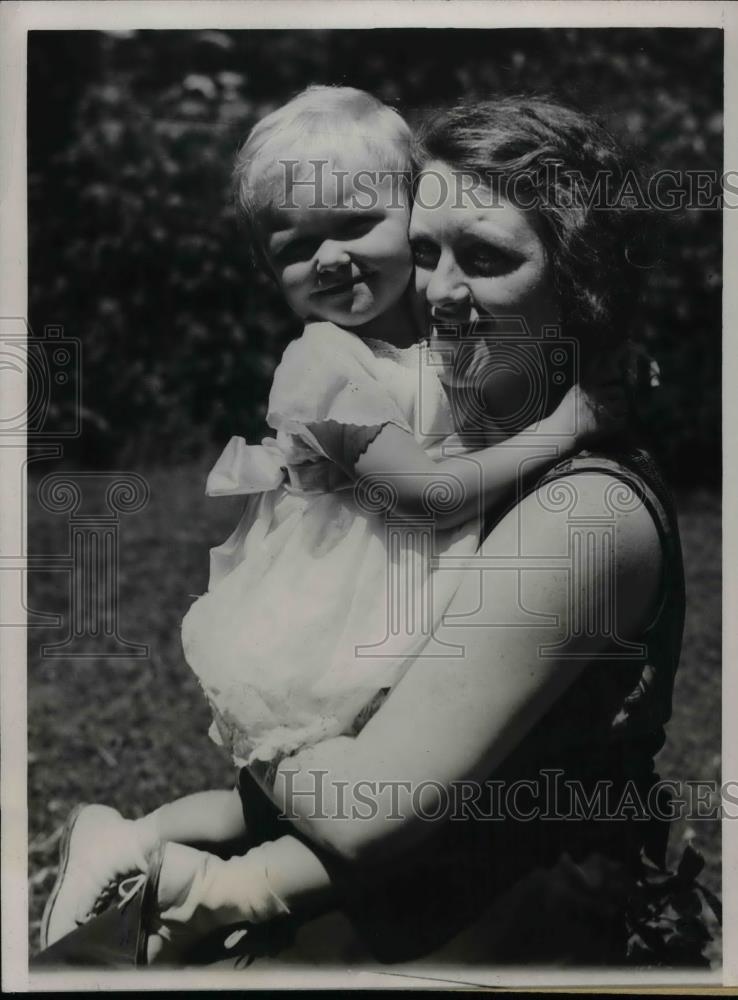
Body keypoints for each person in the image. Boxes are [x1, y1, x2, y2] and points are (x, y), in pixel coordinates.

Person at [39, 88, 621, 961]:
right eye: (296, 246)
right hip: (342, 602)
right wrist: (562, 430)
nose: (332, 258)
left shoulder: (432, 330)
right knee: (344, 796)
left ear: (411, 214)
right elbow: (429, 495)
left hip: (408, 586)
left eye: (357, 222)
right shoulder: (321, 366)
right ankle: (150, 849)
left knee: (337, 795)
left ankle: (179, 871)